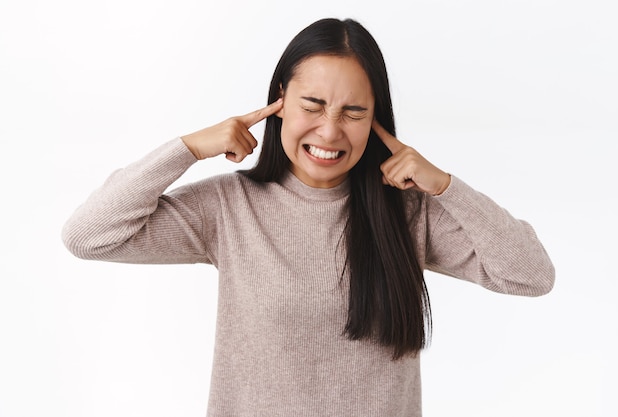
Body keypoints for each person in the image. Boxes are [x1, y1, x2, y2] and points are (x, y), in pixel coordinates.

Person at [62, 17, 555, 417]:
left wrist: (446, 186)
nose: (330, 130)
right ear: (279, 102)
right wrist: (189, 148)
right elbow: (89, 235)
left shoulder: (408, 213)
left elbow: (531, 276)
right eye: (313, 105)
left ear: (377, 118)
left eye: (354, 112)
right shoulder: (229, 208)